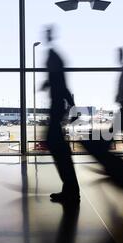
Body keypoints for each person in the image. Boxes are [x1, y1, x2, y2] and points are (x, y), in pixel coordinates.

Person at [41, 27, 80, 203]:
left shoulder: (53, 56)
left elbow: (61, 84)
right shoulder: (54, 55)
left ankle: (71, 190)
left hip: (57, 105)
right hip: (57, 105)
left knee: (56, 146)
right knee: (58, 147)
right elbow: (60, 82)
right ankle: (70, 189)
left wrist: (72, 106)